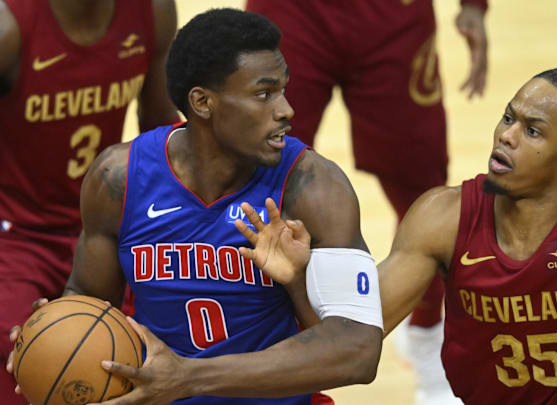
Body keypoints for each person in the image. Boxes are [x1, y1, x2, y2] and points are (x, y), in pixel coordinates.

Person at [236, 38, 557, 404]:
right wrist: (301, 280)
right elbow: (356, 334)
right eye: (509, 118)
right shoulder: (444, 217)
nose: (506, 136)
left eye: (532, 131)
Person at [7, 8, 384, 405]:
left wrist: (295, 285)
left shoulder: (312, 186)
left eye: (283, 90)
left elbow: (359, 351)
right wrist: (51, 337)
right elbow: (88, 297)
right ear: (203, 102)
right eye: (264, 93)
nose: (286, 109)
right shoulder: (118, 179)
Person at [243, 1, 488, 403]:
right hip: (293, 13)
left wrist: (473, 7)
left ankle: (428, 337)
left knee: (422, 188)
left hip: (393, 16)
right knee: (268, 185)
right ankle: (279, 347)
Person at [0, 0, 179, 402]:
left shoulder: (153, 12)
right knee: (27, 357)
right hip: (16, 229)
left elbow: (163, 134)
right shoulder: (9, 27)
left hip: (108, 222)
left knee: (145, 351)